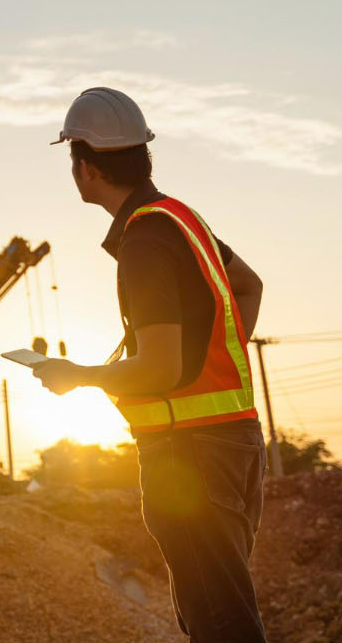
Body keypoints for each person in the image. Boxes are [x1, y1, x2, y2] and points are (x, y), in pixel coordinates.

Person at [30, 87, 268, 642]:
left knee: (221, 624)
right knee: (216, 610)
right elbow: (248, 288)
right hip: (232, 444)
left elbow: (159, 371)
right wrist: (206, 352)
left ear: (85, 166)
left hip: (191, 455)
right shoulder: (181, 218)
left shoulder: (145, 241)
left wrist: (79, 377)